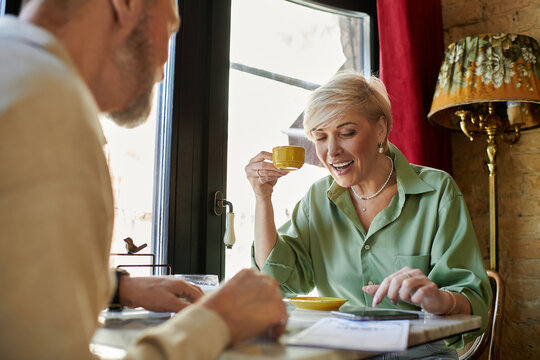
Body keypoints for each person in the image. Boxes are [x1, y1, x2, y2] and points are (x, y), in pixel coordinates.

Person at [0, 0, 287, 359]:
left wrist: (118, 288)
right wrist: (216, 323)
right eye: (169, 29)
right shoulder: (49, 107)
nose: (164, 68)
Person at [245, 71, 492, 356]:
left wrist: (439, 300)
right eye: (321, 137)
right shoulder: (317, 199)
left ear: (380, 129)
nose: (332, 151)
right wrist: (263, 198)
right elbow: (276, 281)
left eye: (347, 133)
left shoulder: (436, 192)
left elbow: (474, 302)